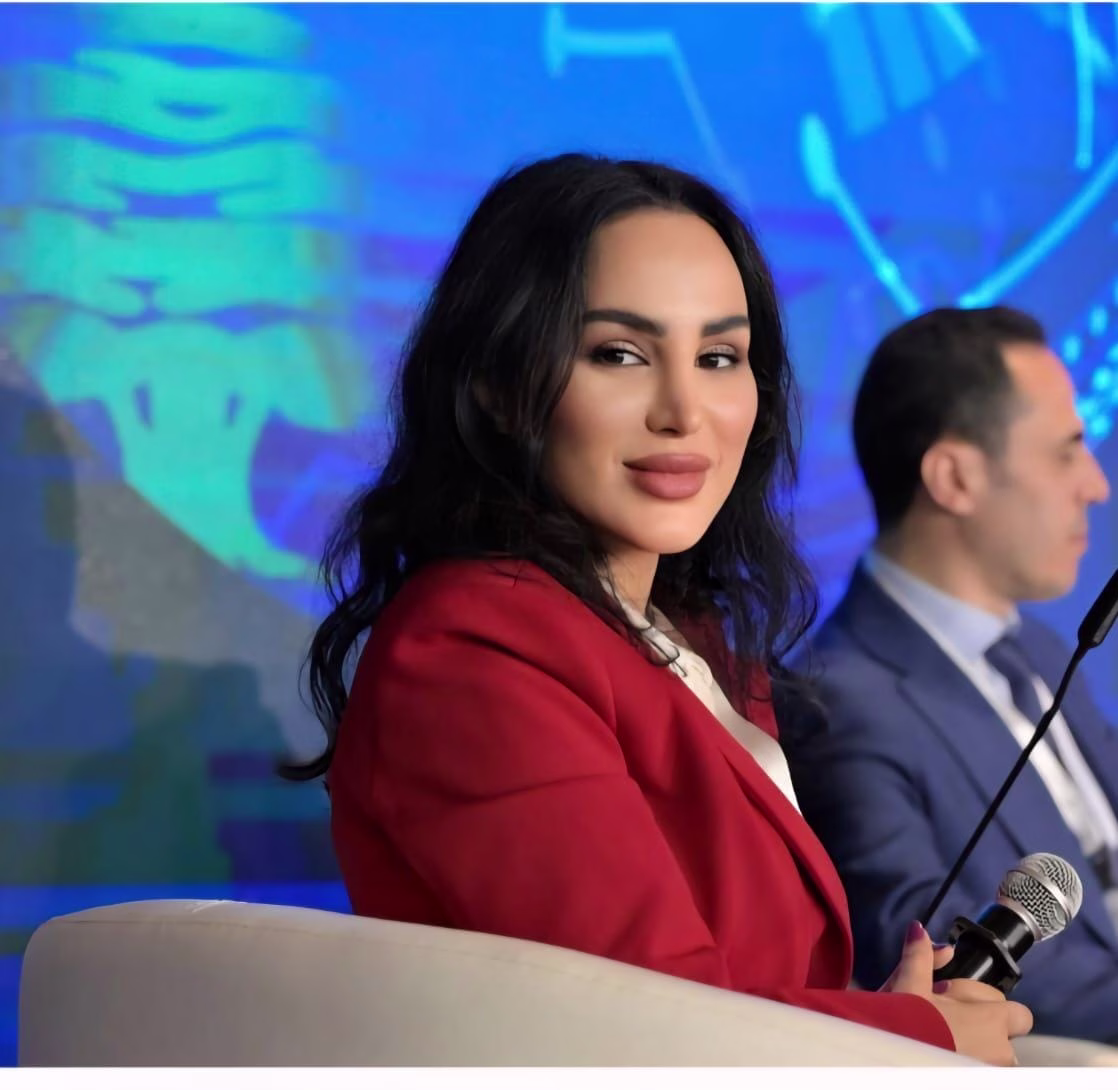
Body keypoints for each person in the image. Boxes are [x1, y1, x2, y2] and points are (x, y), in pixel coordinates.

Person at [283, 154, 1032, 1064]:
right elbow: (647, 1025)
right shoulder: (471, 648)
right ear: (500, 388)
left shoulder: (686, 638)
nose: (684, 410)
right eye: (620, 354)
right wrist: (914, 1038)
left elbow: (725, 998)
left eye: (719, 358)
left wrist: (879, 1030)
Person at [781, 305, 1118, 1043]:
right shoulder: (838, 701)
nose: (1096, 485)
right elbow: (942, 967)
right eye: (1067, 452)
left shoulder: (1038, 651)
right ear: (955, 477)